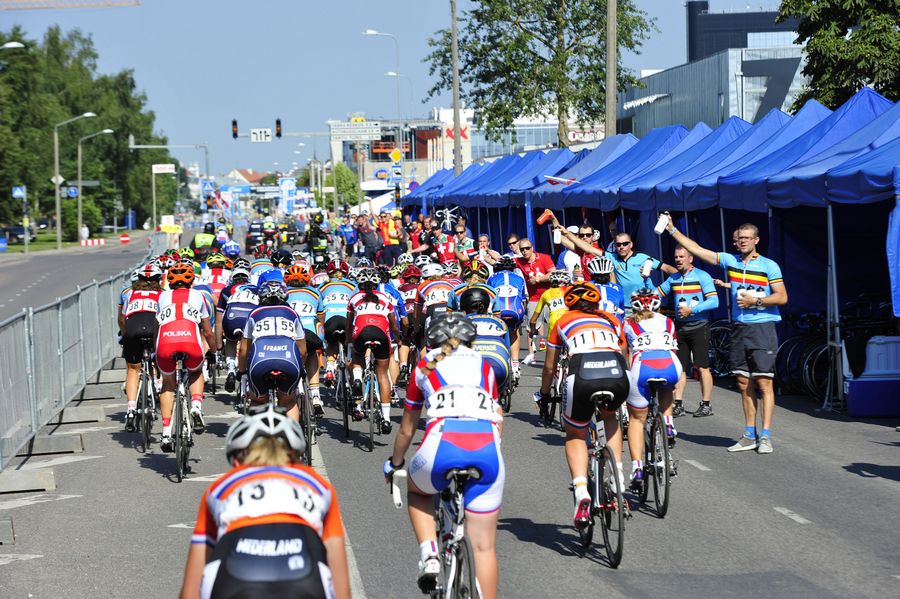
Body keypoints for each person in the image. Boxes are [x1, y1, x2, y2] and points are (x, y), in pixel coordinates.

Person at [383, 313, 504, 599]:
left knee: (419, 491)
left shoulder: (425, 366)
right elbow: (498, 418)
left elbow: (407, 429)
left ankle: (430, 555)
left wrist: (395, 463)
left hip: (442, 444)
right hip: (487, 447)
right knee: (484, 547)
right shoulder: (485, 366)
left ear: (431, 341)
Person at [179, 404, 350, 599]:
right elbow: (341, 584)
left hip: (235, 582)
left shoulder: (220, 489)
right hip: (304, 579)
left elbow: (190, 590)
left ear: (238, 458)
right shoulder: (319, 486)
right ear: (294, 454)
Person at [660, 215, 787, 454]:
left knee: (763, 381)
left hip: (763, 326)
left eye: (748, 239)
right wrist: (672, 229)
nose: (743, 242)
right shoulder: (731, 261)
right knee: (742, 381)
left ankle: (766, 435)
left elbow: (782, 296)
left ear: (756, 240)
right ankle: (749, 434)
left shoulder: (769, 265)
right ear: (734, 240)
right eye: (740, 239)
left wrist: (757, 300)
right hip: (738, 326)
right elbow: (696, 249)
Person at [538, 283, 628, 529]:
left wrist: (545, 395)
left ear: (570, 304)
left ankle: (581, 491)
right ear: (596, 303)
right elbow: (624, 353)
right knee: (610, 418)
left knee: (576, 434)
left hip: (583, 375)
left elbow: (549, 368)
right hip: (616, 373)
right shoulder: (611, 319)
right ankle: (617, 475)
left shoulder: (563, 322)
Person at [623, 288, 682, 492]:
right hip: (671, 364)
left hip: (643, 367)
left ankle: (637, 468)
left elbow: (626, 354)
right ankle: (668, 423)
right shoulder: (668, 321)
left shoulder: (628, 323)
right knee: (667, 386)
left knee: (637, 420)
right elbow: (673, 348)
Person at [156, 263, 216, 451]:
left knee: (167, 383)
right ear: (192, 280)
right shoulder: (198, 296)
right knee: (196, 371)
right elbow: (207, 331)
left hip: (165, 342)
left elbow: (156, 326)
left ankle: (166, 432)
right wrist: (213, 351)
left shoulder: (162, 296)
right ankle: (196, 406)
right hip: (190, 341)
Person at [658, 245, 720, 418]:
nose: (678, 259)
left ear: (690, 258)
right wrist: (646, 280)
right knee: (680, 368)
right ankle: (678, 404)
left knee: (702, 367)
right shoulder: (674, 278)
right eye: (676, 257)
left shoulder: (702, 276)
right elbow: (656, 294)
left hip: (699, 326)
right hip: (680, 327)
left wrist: (692, 311)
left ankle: (706, 404)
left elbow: (714, 301)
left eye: (681, 256)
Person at [238, 280, 307, 422]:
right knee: (288, 401)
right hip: (289, 360)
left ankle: (258, 440)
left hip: (260, 360)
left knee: (258, 401)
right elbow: (303, 350)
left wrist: (242, 371)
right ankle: (292, 439)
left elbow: (244, 349)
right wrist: (302, 368)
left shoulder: (254, 313)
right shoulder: (292, 313)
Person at [346, 268, 401, 433]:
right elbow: (393, 325)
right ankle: (386, 419)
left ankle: (357, 379)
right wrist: (398, 338)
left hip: (361, 332)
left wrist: (349, 341)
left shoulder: (354, 298)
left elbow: (349, 324)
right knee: (382, 373)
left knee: (357, 358)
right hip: (381, 333)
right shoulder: (385, 298)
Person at [119, 263, 163, 432]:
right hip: (153, 328)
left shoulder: (130, 294)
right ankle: (159, 383)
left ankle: (131, 408)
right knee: (161, 358)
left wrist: (125, 335)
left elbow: (122, 319)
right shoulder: (162, 294)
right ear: (158, 280)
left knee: (132, 369)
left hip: (133, 329)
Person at [285, 264, 325, 417]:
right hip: (311, 330)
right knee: (312, 353)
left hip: (291, 331)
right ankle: (316, 395)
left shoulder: (284, 293)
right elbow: (321, 317)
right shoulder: (315, 292)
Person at [215, 262, 257, 395]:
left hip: (232, 317)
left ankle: (231, 369)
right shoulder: (256, 289)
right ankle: (249, 377)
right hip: (249, 316)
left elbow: (218, 319)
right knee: (251, 344)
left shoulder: (226, 290)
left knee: (231, 341)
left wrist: (219, 344)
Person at [513, 238, 556, 365]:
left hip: (550, 296)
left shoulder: (544, 258)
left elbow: (553, 273)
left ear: (532, 248)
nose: (525, 251)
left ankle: (557, 353)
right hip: (534, 298)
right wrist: (487, 252)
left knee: (554, 325)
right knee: (530, 327)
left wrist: (538, 279)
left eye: (527, 248)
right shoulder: (520, 261)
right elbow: (499, 260)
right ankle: (531, 354)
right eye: (522, 249)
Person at [460, 286, 511, 391]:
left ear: (463, 308)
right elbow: (507, 349)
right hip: (499, 367)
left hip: (471, 369)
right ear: (488, 306)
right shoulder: (500, 322)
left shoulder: (460, 323)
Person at [487, 256, 527, 383]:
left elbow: (489, 299)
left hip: (499, 311)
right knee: (514, 331)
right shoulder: (519, 278)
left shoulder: (492, 278)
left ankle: (498, 362)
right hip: (516, 310)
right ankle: (515, 365)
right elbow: (524, 299)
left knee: (495, 334)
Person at [318, 260, 356, 385]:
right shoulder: (352, 285)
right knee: (350, 348)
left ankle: (329, 368)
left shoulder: (322, 286)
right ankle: (355, 379)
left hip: (330, 321)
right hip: (347, 321)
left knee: (332, 343)